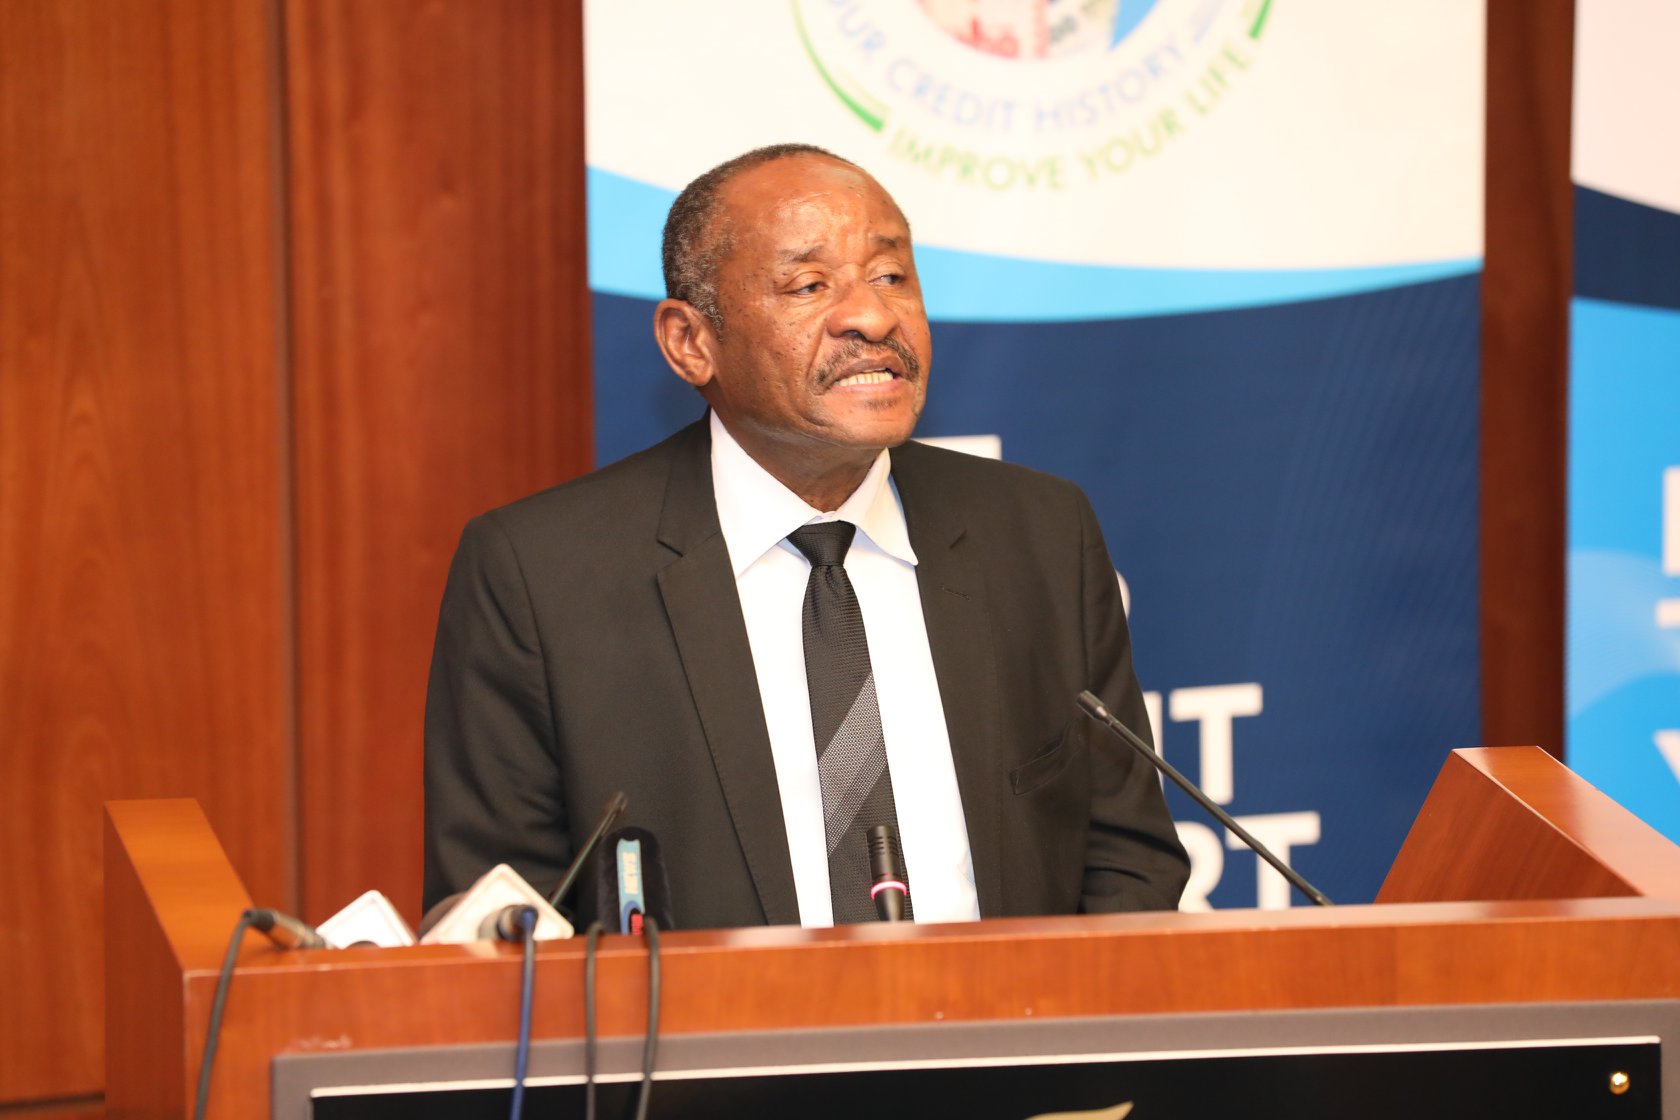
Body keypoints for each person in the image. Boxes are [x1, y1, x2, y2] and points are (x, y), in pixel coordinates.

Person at [423, 143, 1188, 929]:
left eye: (891, 276)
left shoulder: (1037, 532)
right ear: (691, 342)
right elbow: (503, 921)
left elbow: (1126, 856)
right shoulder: (540, 575)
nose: (874, 317)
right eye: (810, 285)